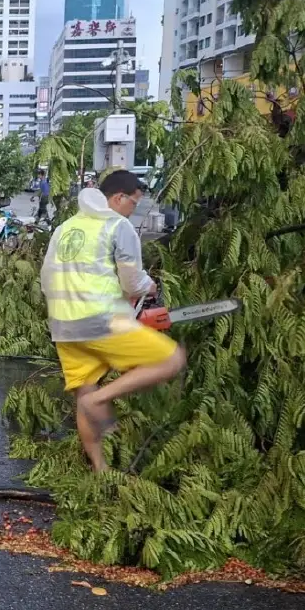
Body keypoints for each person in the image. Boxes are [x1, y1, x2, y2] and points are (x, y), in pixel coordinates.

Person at [40, 169, 186, 472]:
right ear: (119, 198)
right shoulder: (117, 225)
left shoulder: (65, 227)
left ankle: (100, 470)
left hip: (63, 326)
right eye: (134, 203)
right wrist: (150, 287)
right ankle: (100, 401)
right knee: (172, 359)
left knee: (86, 389)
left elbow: (46, 279)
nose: (133, 210)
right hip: (102, 320)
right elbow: (132, 281)